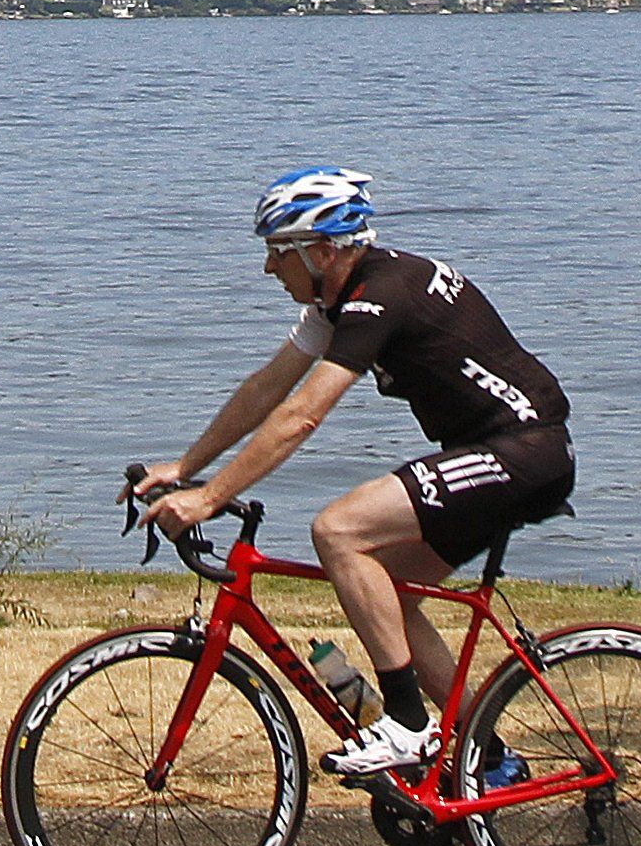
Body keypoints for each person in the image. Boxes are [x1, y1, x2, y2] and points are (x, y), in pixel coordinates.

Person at [134, 168, 579, 780]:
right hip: (501, 449)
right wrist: (185, 467)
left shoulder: (378, 297)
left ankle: (407, 724)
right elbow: (269, 386)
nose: (269, 269)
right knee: (387, 596)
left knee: (339, 530)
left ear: (320, 251)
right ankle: (488, 760)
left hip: (524, 450)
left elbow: (301, 416)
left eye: (276, 252)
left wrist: (210, 497)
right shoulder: (340, 298)